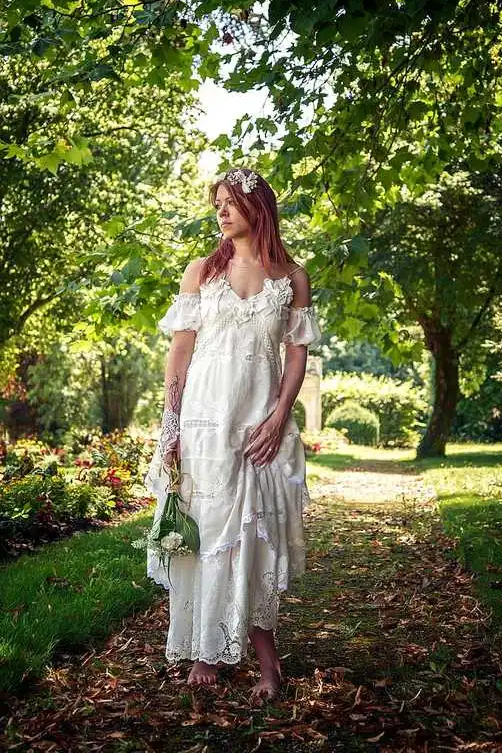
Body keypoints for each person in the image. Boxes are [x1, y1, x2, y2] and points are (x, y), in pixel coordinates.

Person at [144, 167, 321, 702]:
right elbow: (180, 353)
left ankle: (267, 659)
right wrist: (171, 426)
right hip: (203, 424)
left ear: (257, 207)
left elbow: (297, 356)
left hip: (260, 427)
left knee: (256, 537)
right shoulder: (201, 271)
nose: (220, 211)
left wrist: (279, 416)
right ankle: (206, 651)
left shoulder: (292, 277)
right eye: (216, 203)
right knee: (206, 532)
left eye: (230, 202)